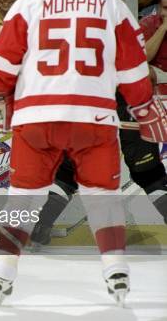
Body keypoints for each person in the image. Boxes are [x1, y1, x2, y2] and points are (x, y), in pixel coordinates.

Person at [0, 0, 167, 306]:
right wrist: (143, 107)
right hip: (93, 119)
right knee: (102, 196)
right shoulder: (113, 6)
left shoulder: (29, 2)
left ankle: (2, 271)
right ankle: (116, 269)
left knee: (22, 197)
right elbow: (132, 71)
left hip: (36, 118)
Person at [29, 93, 167, 249]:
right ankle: (40, 226)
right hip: (133, 100)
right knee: (150, 176)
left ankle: (40, 228)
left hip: (87, 103)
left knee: (67, 174)